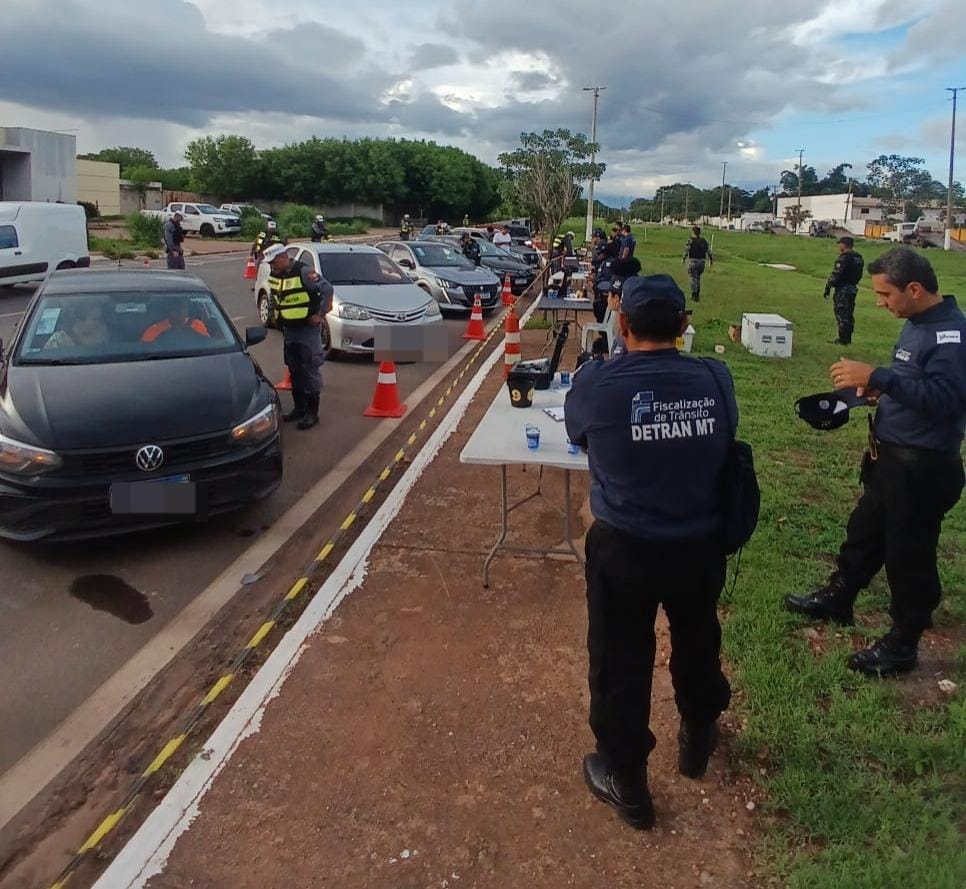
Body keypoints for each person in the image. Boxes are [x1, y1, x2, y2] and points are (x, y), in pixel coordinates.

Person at [565, 274, 737, 830]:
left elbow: (578, 432)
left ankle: (628, 781)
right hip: (698, 542)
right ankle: (698, 734)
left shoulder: (599, 382)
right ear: (684, 326)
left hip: (626, 547)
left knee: (619, 659)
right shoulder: (716, 376)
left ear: (622, 323)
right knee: (697, 637)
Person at [786, 248, 965, 676]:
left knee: (909, 554)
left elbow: (946, 401)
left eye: (886, 294)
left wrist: (878, 377)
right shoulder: (918, 324)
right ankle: (839, 597)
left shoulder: (951, 338)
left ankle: (904, 642)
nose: (879, 302)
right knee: (864, 532)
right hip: (890, 458)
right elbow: (916, 384)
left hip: (922, 467)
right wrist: (879, 390)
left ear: (915, 289)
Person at [263, 243, 333, 430]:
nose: (272, 266)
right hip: (289, 330)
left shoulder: (304, 272)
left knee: (310, 370)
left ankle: (312, 413)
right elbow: (277, 299)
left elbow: (327, 289)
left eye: (274, 262)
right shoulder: (274, 275)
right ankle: (299, 409)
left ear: (283, 258)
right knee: (294, 370)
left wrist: (320, 314)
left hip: (307, 330)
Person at [823, 236, 865, 345]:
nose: (839, 246)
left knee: (842, 314)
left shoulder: (844, 258)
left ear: (843, 245)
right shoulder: (858, 258)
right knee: (849, 313)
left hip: (843, 289)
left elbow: (837, 274)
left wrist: (828, 286)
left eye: (840, 244)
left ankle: (842, 340)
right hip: (853, 288)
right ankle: (848, 338)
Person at [141, 296, 209, 342]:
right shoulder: (154, 330)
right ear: (169, 311)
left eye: (183, 308)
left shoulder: (197, 325)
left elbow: (207, 343)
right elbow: (144, 350)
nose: (180, 313)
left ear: (188, 310)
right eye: (176, 309)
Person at [683, 226, 713, 302]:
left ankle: (694, 294)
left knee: (693, 278)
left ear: (693, 232)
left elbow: (687, 250)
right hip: (702, 262)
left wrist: (683, 258)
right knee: (698, 278)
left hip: (693, 261)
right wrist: (711, 260)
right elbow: (709, 252)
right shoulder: (704, 241)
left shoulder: (690, 240)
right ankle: (698, 294)